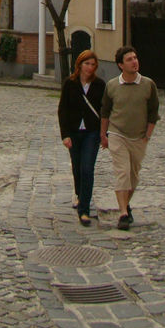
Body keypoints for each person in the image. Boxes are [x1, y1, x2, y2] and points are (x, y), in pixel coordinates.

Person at [100, 46, 159, 231]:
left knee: (133, 177)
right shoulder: (112, 86)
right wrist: (104, 134)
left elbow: (153, 112)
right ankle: (123, 213)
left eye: (135, 58)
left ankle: (126, 205)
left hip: (139, 137)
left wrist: (147, 136)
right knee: (122, 173)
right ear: (120, 65)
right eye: (129, 59)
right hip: (117, 133)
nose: (134, 62)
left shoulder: (148, 84)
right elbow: (105, 112)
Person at [58, 50, 106, 226]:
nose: (90, 68)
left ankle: (84, 210)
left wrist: (104, 133)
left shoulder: (100, 85)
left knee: (87, 168)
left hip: (91, 133)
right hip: (74, 132)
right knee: (77, 169)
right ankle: (80, 195)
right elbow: (63, 110)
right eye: (87, 64)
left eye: (93, 65)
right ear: (79, 65)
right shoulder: (70, 84)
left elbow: (104, 111)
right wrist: (65, 135)